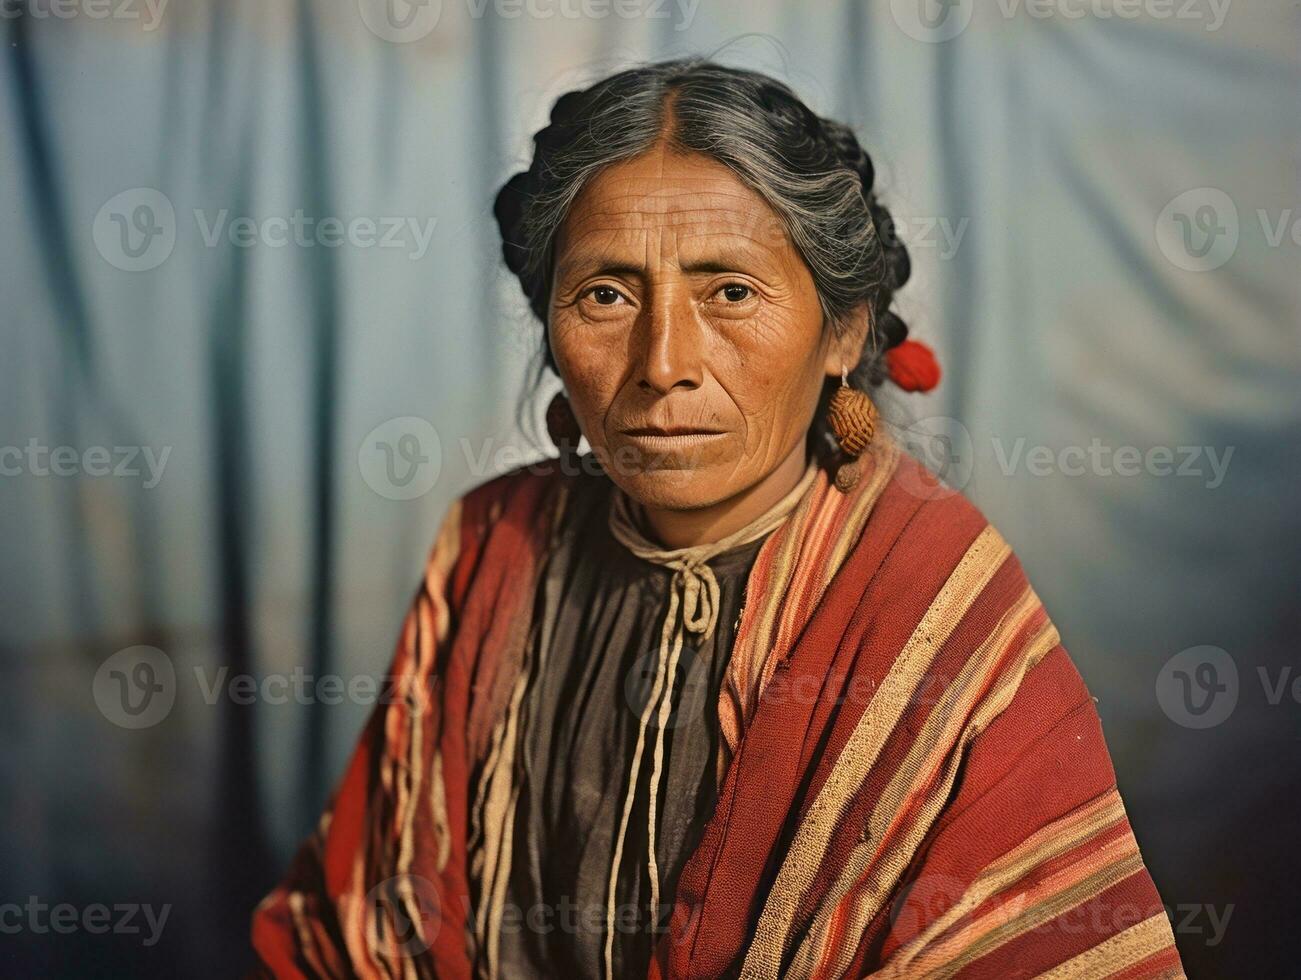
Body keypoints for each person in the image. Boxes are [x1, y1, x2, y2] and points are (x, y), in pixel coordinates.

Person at [251, 58, 1183, 979]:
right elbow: (357, 930)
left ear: (844, 331)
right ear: (548, 326)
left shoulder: (932, 597)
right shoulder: (494, 545)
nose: (663, 363)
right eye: (605, 295)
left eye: (729, 291)